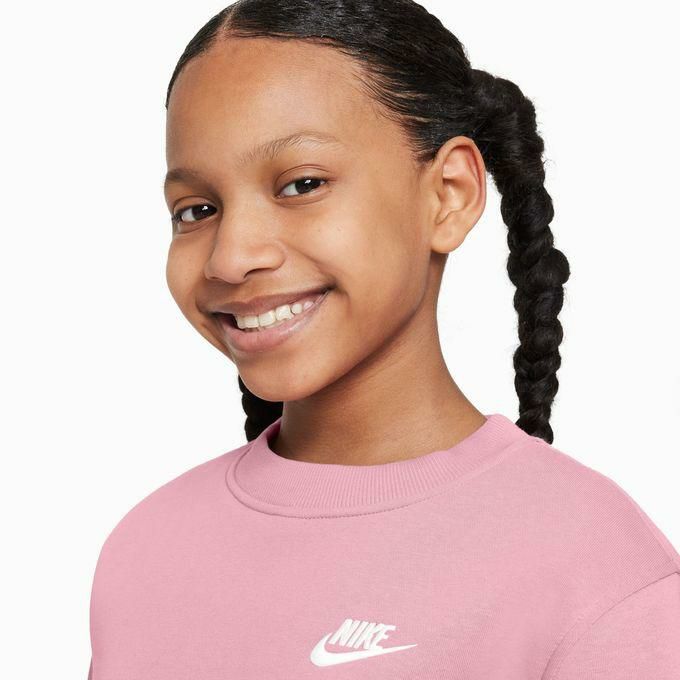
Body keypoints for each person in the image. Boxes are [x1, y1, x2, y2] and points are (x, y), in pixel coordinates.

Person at [87, 1, 680, 678]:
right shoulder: (144, 549)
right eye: (197, 210)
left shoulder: (601, 578)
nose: (231, 257)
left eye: (302, 184)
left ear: (449, 194)